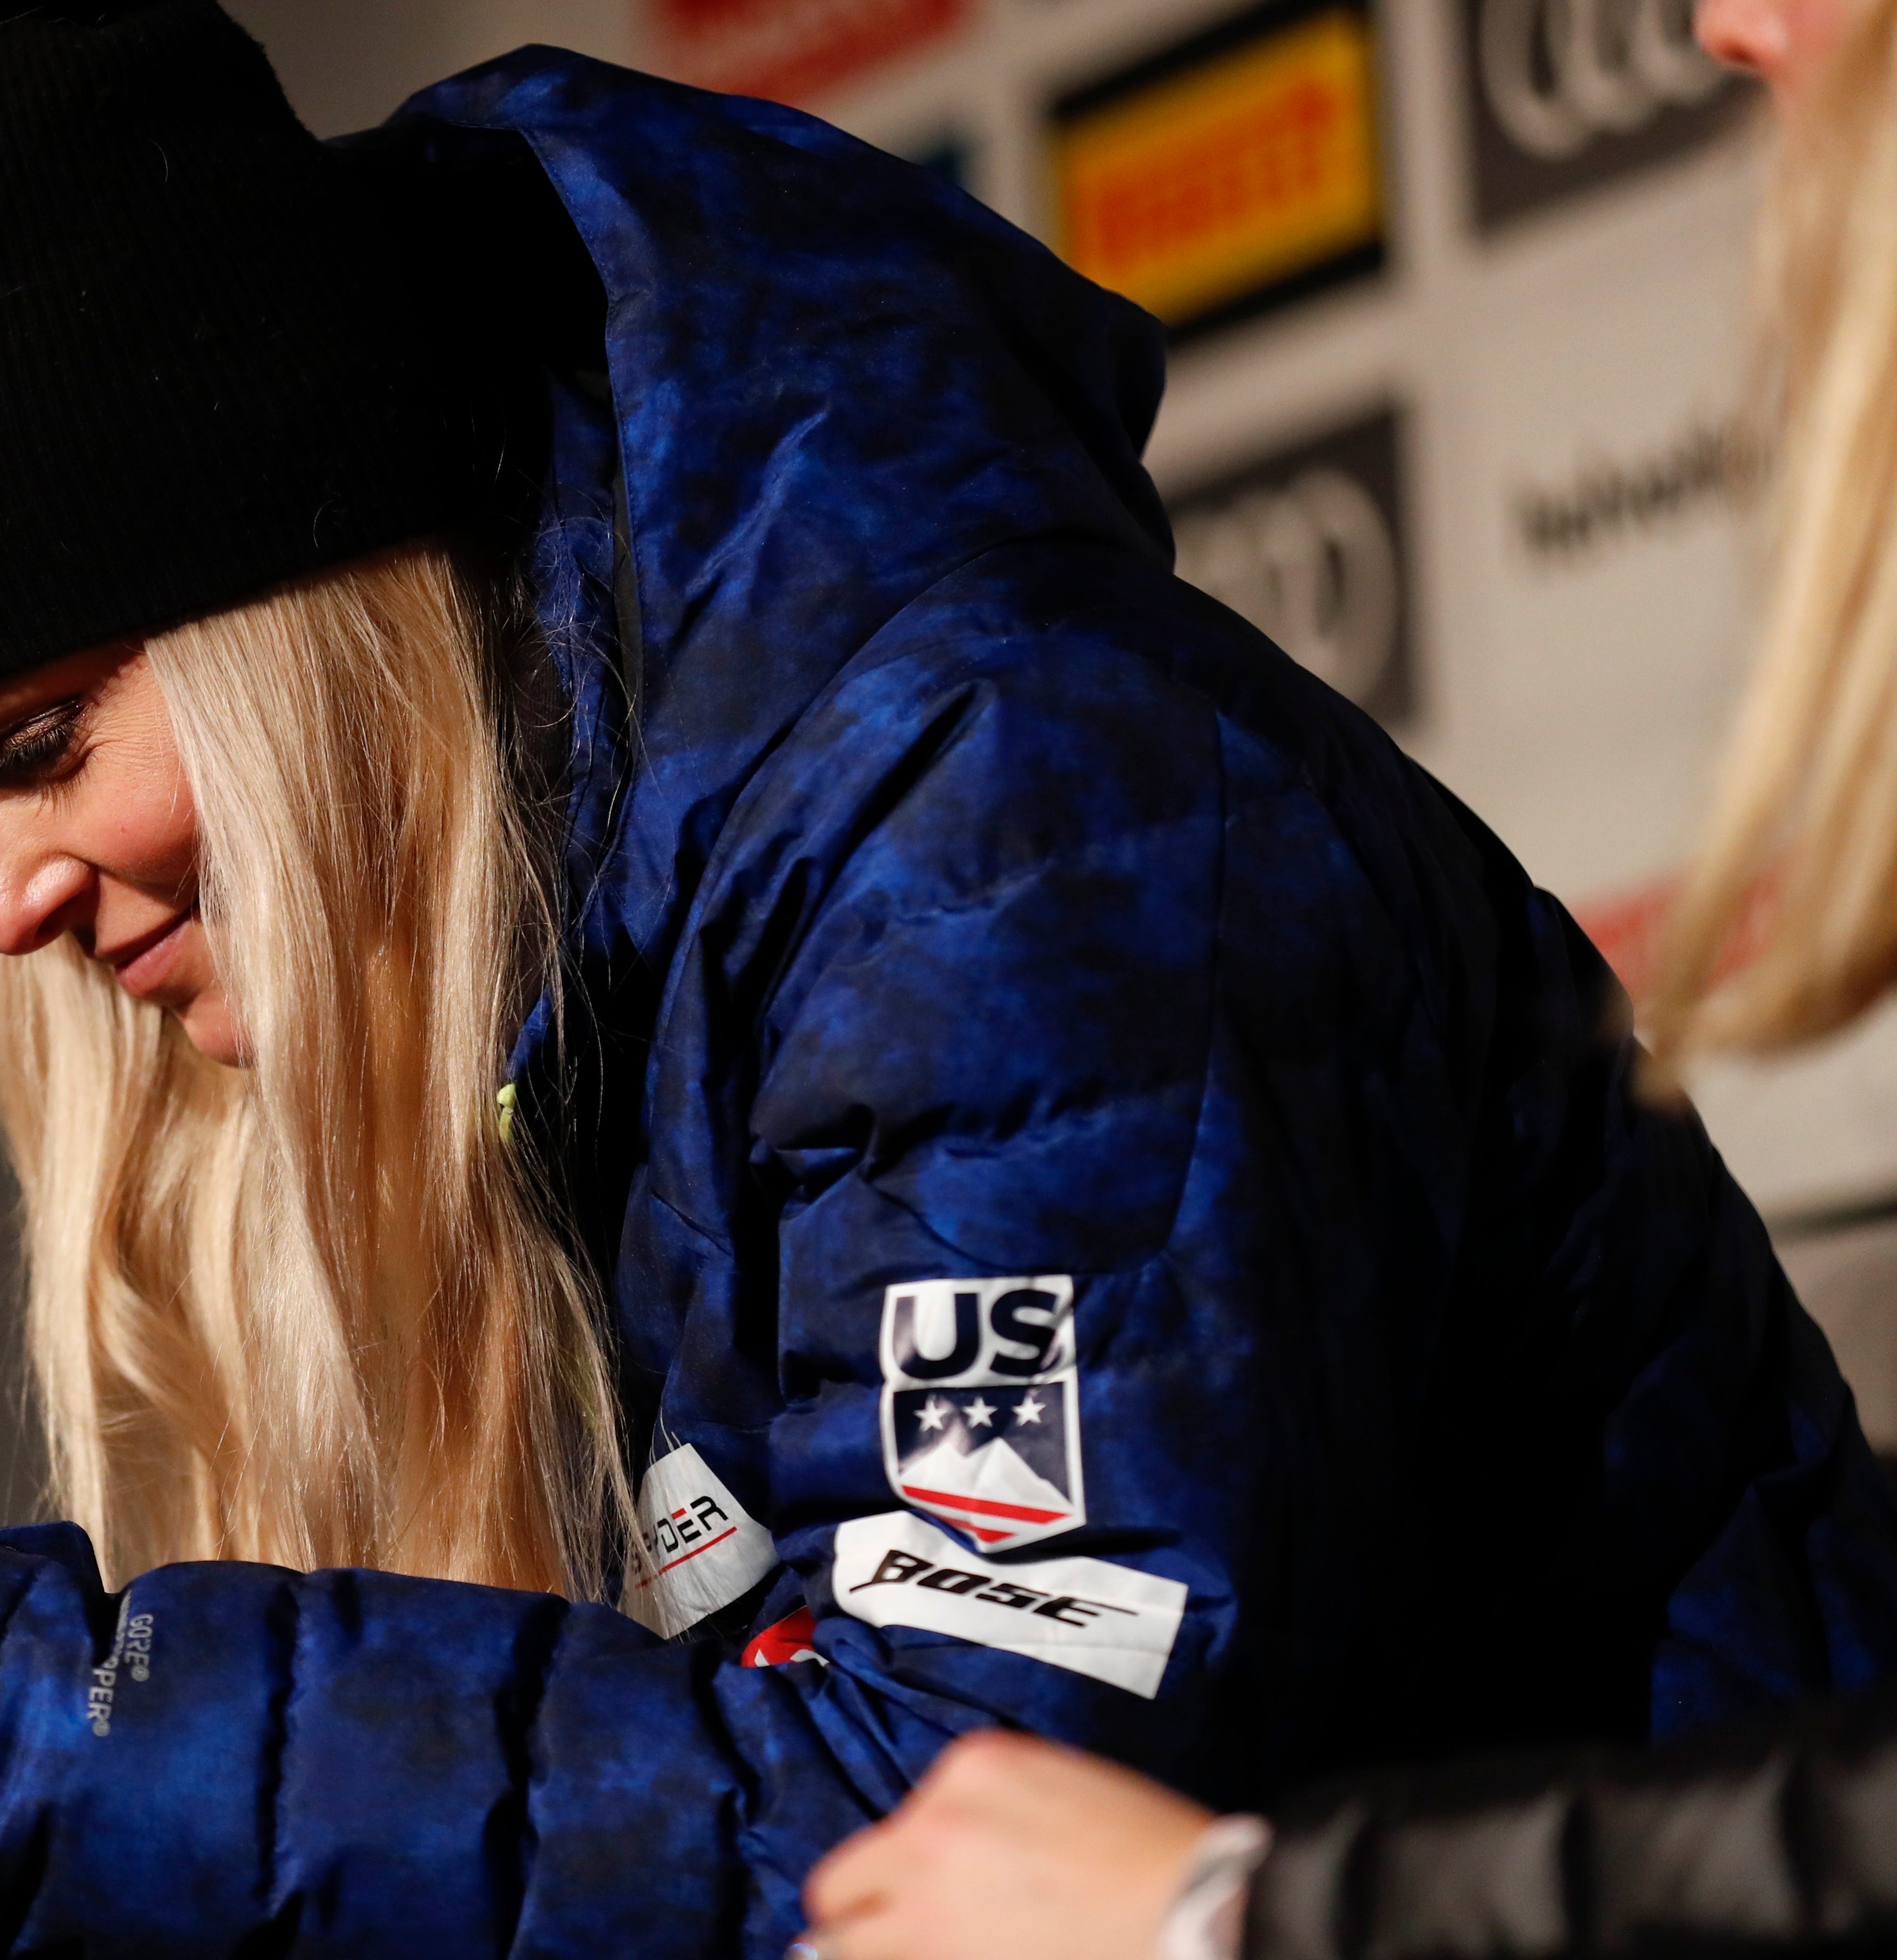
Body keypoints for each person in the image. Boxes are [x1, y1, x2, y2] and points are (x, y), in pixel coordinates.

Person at [0, 3, 1897, 1955]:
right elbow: (577, 1848)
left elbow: (953, 1863)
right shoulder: (575, 921)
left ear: (306, 610)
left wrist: (21, 1746)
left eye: (43, 742)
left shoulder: (1014, 818)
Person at [793, 0, 1897, 1954]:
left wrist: (1237, 1916)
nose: (1726, 22)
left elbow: (969, 1745)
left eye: (59, 746)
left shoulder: (1052, 796)